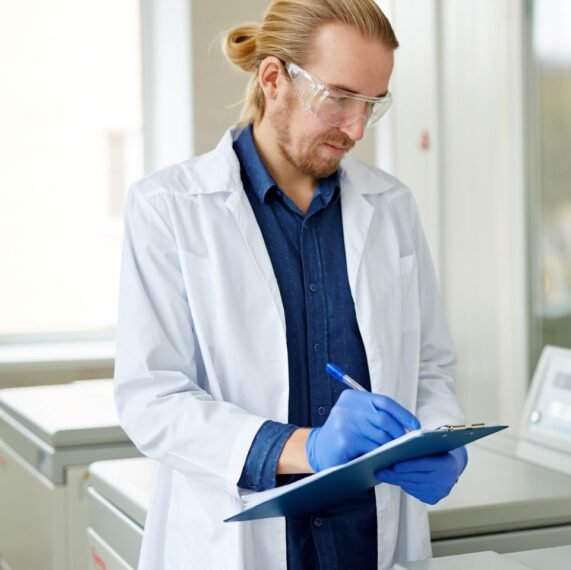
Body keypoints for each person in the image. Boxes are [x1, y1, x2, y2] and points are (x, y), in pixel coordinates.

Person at [113, 1, 466, 568]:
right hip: (239, 543)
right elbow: (152, 400)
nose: (355, 127)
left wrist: (439, 439)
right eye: (340, 97)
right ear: (274, 78)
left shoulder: (392, 206)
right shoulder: (170, 208)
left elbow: (430, 366)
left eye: (372, 105)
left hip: (365, 542)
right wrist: (307, 448)